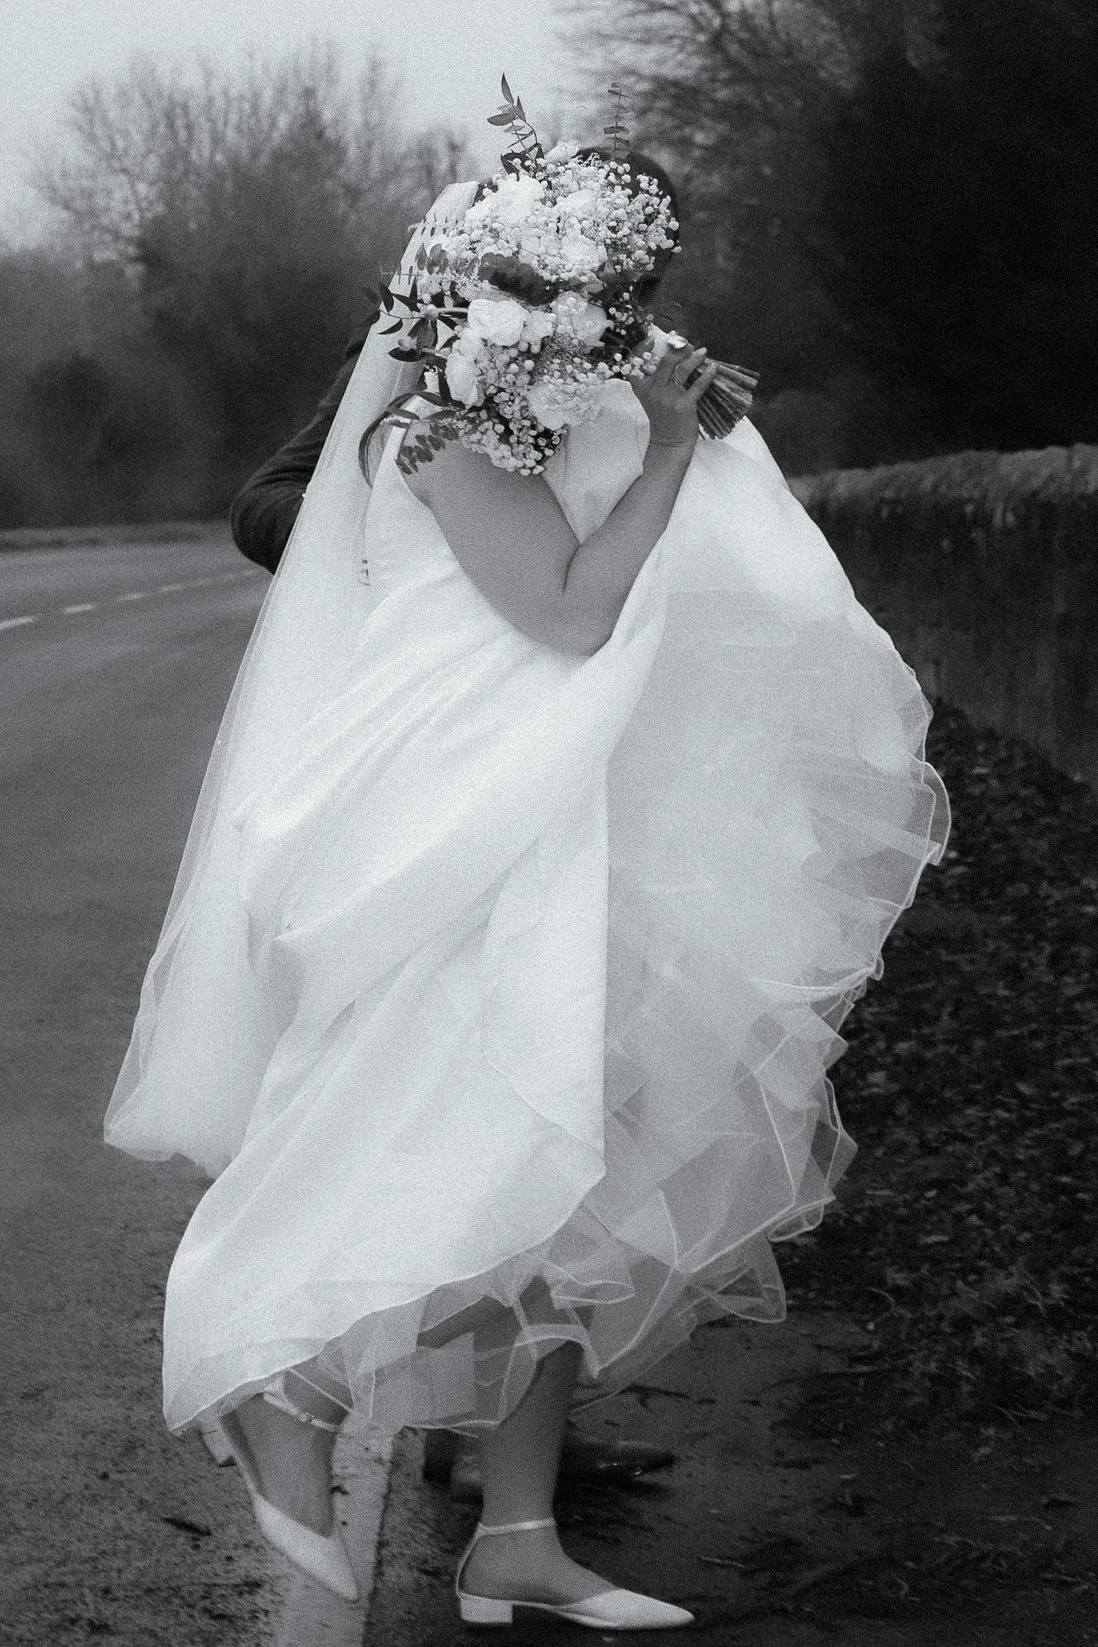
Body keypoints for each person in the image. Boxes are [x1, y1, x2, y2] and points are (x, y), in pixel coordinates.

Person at [105, 147, 949, 1630]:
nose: (606, 308)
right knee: (405, 1128)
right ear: (487, 282)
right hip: (450, 821)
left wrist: (691, 431)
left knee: (568, 1158)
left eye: (626, 283)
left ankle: (518, 1532)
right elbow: (566, 609)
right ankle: (260, 1384)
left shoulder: (571, 399)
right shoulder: (439, 425)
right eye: (581, 280)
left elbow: (667, 577)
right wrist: (669, 453)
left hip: (576, 810)